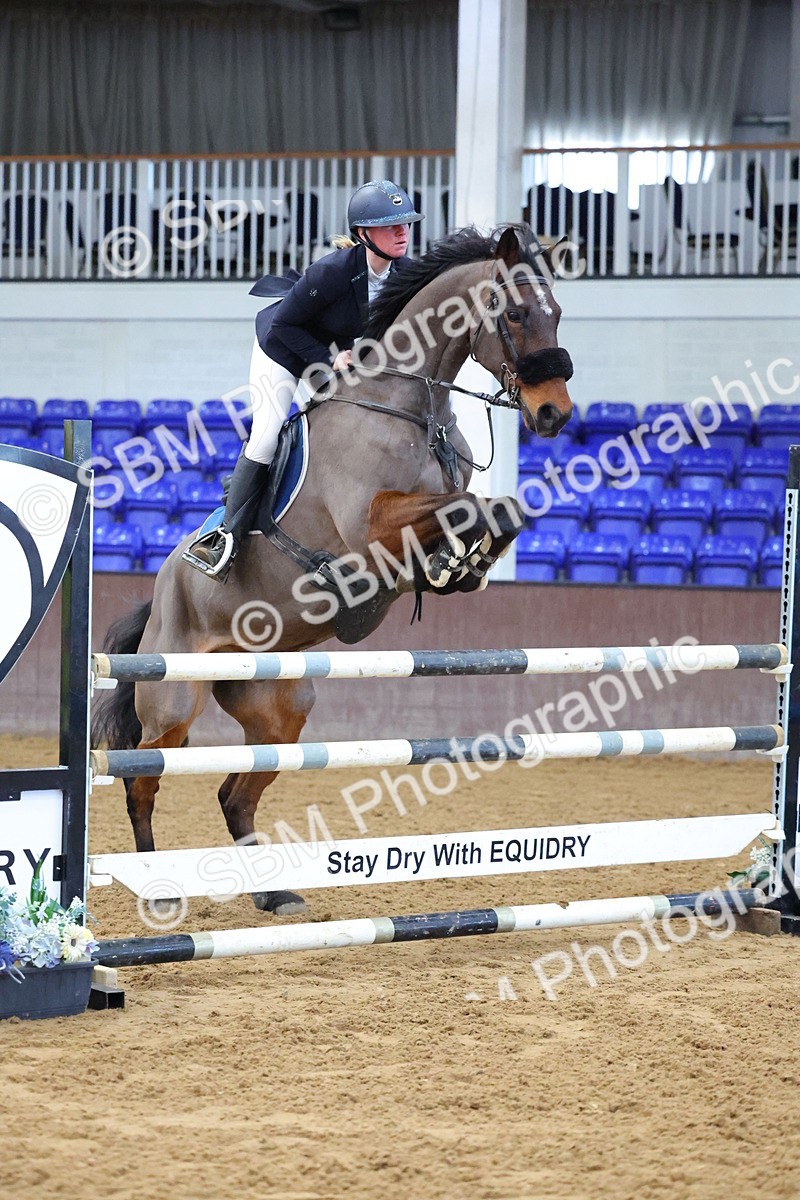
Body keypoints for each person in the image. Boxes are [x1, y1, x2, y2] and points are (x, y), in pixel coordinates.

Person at [184, 180, 424, 579]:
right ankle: (225, 535)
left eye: (406, 224)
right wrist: (329, 360)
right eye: (390, 226)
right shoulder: (332, 271)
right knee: (266, 435)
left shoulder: (406, 275)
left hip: (334, 352)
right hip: (283, 348)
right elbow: (284, 326)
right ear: (363, 234)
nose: (403, 232)